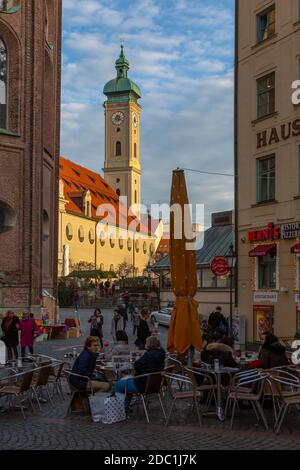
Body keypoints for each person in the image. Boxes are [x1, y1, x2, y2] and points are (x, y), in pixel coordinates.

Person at [115, 336, 166, 413]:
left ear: (150, 345)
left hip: (141, 385)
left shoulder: (148, 355)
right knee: (126, 382)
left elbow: (136, 365)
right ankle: (125, 407)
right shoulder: (162, 354)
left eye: (146, 343)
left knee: (118, 384)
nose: (145, 344)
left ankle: (120, 410)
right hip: (154, 386)